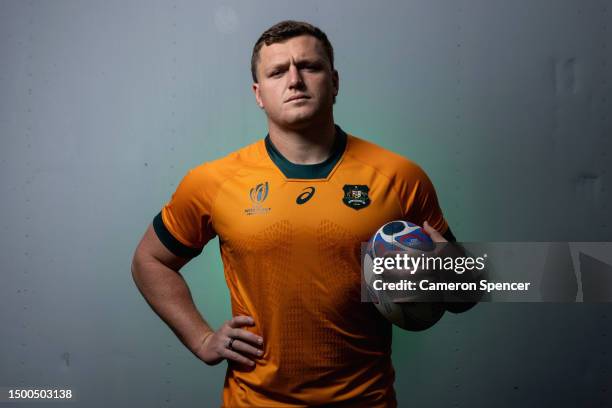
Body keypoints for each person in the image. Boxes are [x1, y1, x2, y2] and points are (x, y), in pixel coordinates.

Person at [131, 20, 463, 407]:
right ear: (259, 94)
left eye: (309, 66)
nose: (295, 80)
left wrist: (452, 274)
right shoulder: (213, 181)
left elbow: (465, 292)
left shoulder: (399, 176)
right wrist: (202, 338)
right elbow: (148, 260)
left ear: (334, 82)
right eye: (277, 71)